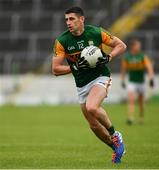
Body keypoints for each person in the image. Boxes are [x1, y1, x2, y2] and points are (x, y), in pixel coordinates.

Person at [52, 6, 127, 163]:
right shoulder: (62, 41)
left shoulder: (96, 32)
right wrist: (75, 67)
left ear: (82, 19)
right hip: (81, 84)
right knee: (93, 125)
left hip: (100, 77)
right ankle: (116, 148)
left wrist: (109, 57)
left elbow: (121, 45)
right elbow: (55, 69)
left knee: (92, 107)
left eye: (72, 19)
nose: (68, 23)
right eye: (66, 19)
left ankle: (115, 135)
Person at [121, 39, 155, 125]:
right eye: (137, 46)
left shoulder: (142, 57)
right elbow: (124, 69)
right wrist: (122, 80)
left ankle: (141, 117)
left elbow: (149, 67)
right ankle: (130, 118)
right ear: (133, 47)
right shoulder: (127, 57)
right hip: (132, 82)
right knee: (131, 100)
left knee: (141, 101)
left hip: (141, 82)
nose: (139, 47)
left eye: (139, 46)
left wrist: (151, 78)